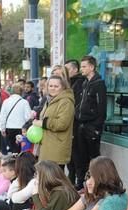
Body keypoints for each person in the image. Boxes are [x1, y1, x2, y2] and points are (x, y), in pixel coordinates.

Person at [73, 55, 107, 190]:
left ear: (92, 67)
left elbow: (101, 108)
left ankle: (98, 184)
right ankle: (82, 184)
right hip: (81, 126)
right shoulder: (84, 82)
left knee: (94, 159)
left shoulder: (98, 84)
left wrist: (96, 128)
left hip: (91, 127)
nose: (82, 69)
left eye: (84, 66)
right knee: (81, 157)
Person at [31, 75, 75, 168]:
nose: (52, 89)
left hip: (56, 148)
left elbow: (62, 124)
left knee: (55, 180)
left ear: (63, 87)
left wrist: (42, 123)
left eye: (56, 86)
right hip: (47, 146)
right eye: (50, 86)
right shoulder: (50, 100)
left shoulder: (66, 102)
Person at [65, 59, 86, 185]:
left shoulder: (79, 83)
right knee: (71, 155)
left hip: (76, 124)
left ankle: (78, 180)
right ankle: (72, 178)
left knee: (77, 155)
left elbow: (77, 104)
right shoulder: (69, 83)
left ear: (75, 69)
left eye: (67, 69)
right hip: (70, 124)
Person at [0, 82, 32, 154]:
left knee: (11, 150)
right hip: (21, 129)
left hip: (9, 129)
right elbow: (28, 117)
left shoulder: (6, 101)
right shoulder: (24, 102)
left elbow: (2, 116)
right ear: (21, 92)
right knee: (20, 150)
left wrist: (2, 128)